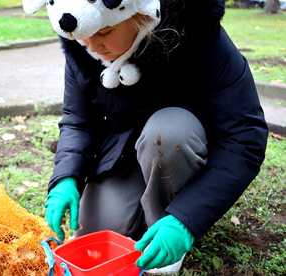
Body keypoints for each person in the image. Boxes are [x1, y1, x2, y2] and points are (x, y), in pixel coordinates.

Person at [42, 0, 269, 272]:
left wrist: (187, 218)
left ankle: (168, 221)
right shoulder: (84, 48)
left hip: (180, 147)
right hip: (125, 153)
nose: (91, 46)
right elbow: (78, 121)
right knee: (98, 232)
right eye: (82, 37)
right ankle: (141, 205)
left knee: (169, 132)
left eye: (104, 33)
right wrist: (66, 177)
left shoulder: (200, 38)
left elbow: (244, 138)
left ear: (141, 15)